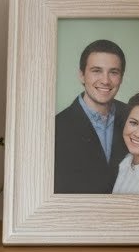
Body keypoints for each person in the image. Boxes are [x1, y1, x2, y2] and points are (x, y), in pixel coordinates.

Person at [54, 40, 130, 194]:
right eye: (97, 70)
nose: (105, 80)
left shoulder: (134, 117)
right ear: (82, 75)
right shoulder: (56, 127)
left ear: (121, 77)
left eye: (113, 72)